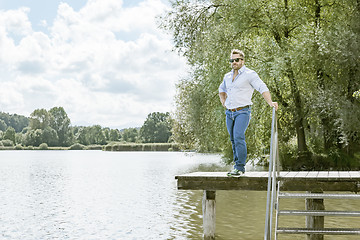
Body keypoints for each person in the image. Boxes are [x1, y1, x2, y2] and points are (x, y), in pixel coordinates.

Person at [219, 49, 278, 177]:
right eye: (232, 60)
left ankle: (240, 168)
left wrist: (270, 102)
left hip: (243, 111)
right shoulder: (227, 76)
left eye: (237, 60)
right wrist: (224, 102)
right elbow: (222, 90)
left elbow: (262, 88)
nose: (234, 62)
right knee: (233, 139)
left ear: (242, 60)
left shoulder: (249, 74)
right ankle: (236, 167)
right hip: (229, 113)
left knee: (239, 136)